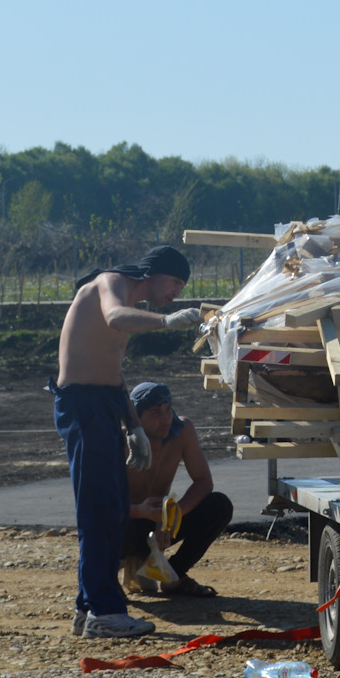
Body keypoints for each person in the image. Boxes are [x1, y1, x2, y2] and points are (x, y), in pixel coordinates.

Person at [53, 244, 204, 638]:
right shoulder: (110, 282)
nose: (175, 293)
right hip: (83, 405)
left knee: (113, 509)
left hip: (102, 404)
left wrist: (133, 424)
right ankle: (104, 612)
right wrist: (167, 321)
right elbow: (116, 316)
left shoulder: (125, 301)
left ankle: (90, 608)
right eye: (174, 282)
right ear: (154, 273)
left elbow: (114, 373)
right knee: (99, 512)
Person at [122, 380, 233, 598]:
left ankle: (174, 573)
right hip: (126, 524)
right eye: (155, 413)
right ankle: (107, 581)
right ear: (136, 417)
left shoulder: (182, 431)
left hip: (160, 526)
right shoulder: (119, 440)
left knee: (219, 505)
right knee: (104, 523)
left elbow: (203, 481)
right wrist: (141, 511)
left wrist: (172, 516)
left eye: (168, 410)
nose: (165, 419)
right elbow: (100, 504)